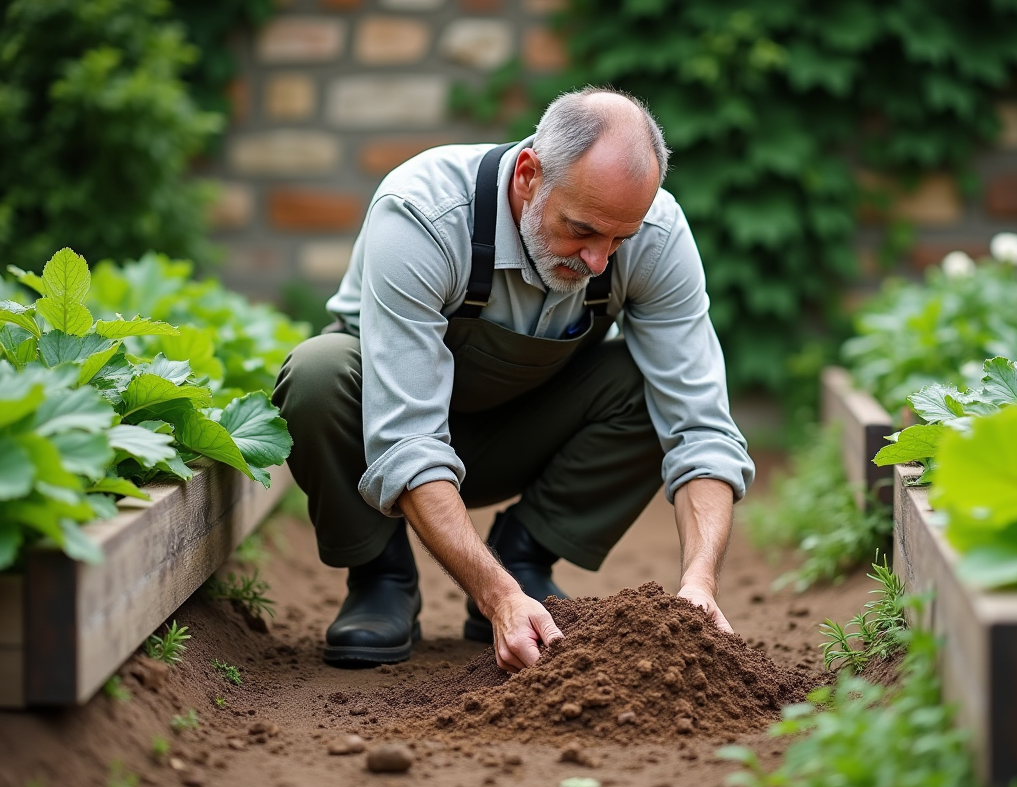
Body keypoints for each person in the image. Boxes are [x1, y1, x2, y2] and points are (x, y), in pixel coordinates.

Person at [273, 87, 755, 673]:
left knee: (646, 381)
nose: (599, 260)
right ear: (529, 174)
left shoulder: (655, 233)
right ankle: (381, 576)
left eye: (617, 240)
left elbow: (701, 425)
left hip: (522, 431)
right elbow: (405, 439)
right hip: (382, 431)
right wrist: (495, 595)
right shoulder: (423, 213)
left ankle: (527, 553)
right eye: (581, 229)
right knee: (316, 374)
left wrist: (699, 585)